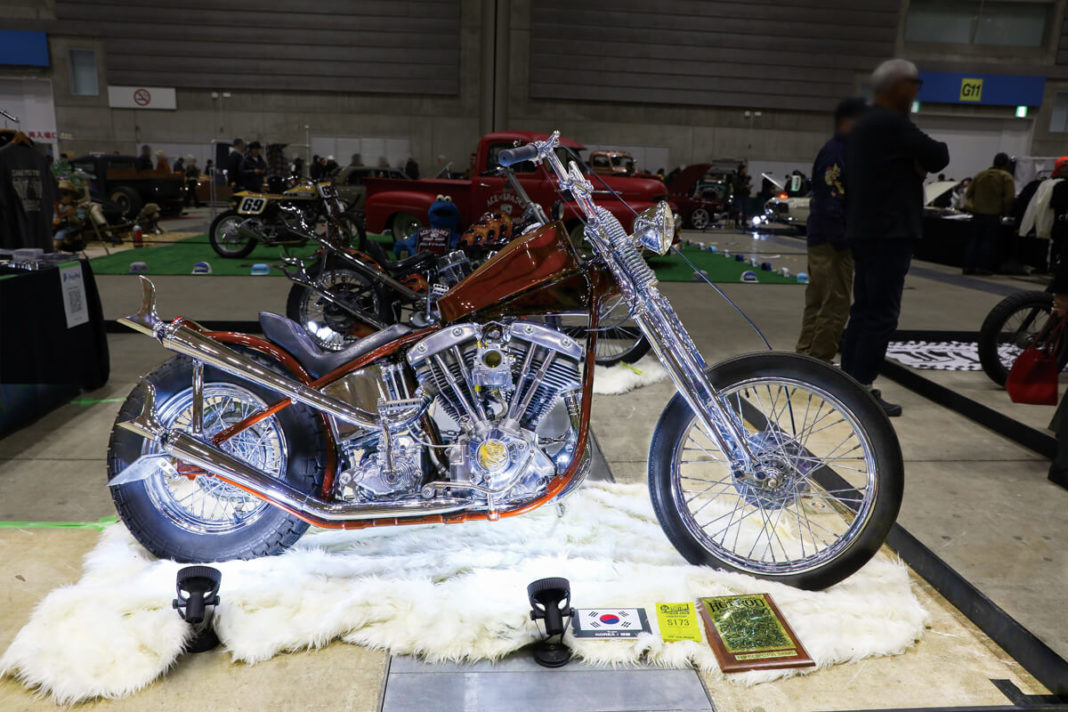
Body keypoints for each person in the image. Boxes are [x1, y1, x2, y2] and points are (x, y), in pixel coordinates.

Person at [840, 58, 949, 417]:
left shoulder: (864, 124)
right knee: (881, 314)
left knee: (863, 309)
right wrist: (915, 166)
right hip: (889, 232)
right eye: (914, 83)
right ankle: (862, 387)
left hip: (865, 229)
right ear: (897, 86)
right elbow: (938, 155)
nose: (917, 91)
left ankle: (849, 383)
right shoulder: (892, 123)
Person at [796, 97, 867, 363]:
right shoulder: (838, 152)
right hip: (832, 240)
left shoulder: (837, 150)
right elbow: (831, 197)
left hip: (824, 236)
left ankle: (806, 357)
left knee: (817, 301)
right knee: (835, 304)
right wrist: (843, 239)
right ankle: (820, 360)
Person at [963, 153, 1014, 275]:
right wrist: (1005, 211)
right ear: (1006, 164)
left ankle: (968, 266)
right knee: (988, 242)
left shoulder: (980, 174)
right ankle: (981, 267)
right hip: (993, 214)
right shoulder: (1006, 177)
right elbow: (1009, 198)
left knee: (974, 241)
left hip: (977, 213)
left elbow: (968, 193)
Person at [731, 164, 751, 228]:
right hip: (738, 195)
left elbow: (746, 184)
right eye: (744, 169)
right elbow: (736, 186)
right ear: (741, 170)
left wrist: (748, 187)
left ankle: (744, 222)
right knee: (737, 209)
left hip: (745, 194)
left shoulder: (745, 177)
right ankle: (736, 223)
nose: (745, 170)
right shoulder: (736, 177)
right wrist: (745, 186)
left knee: (745, 209)